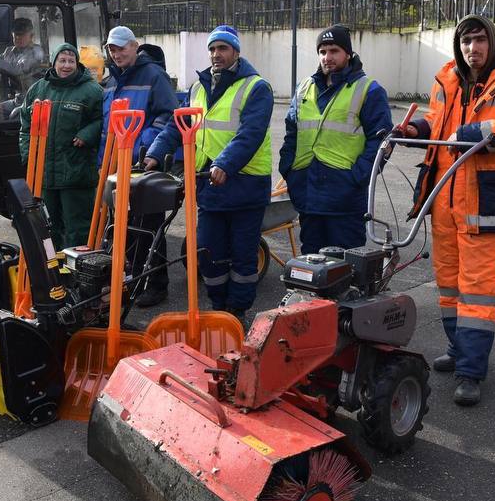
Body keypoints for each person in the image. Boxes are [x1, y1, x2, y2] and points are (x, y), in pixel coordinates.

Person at [403, 14, 495, 407]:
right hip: (444, 201)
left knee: (477, 291)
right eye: (466, 41)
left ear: (491, 42)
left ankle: (471, 371)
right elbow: (437, 122)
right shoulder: (446, 80)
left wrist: (474, 134)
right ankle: (460, 349)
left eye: (479, 40)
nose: (472, 48)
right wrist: (416, 130)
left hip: (483, 204)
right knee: (448, 285)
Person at [145, 25, 272, 327]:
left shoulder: (257, 87)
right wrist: (154, 152)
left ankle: (237, 312)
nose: (216, 54)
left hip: (244, 185)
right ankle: (218, 309)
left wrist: (225, 164)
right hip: (209, 185)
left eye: (223, 49)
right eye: (213, 49)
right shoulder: (198, 87)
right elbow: (178, 124)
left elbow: (250, 133)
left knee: (242, 257)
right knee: (208, 253)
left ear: (236, 52)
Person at [280, 25, 392, 254]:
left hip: (345, 202)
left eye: (333, 51)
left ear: (347, 54)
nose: (327, 57)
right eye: (322, 51)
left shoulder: (368, 90)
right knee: (311, 267)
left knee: (345, 270)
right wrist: (289, 170)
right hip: (309, 197)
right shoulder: (304, 88)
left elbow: (382, 143)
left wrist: (356, 177)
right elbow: (292, 132)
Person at [101, 25, 179, 307]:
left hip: (142, 165)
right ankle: (129, 282)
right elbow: (107, 127)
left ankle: (157, 285)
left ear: (135, 46)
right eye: (111, 48)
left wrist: (148, 150)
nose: (116, 53)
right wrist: (103, 161)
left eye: (121, 47)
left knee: (148, 227)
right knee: (121, 228)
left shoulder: (153, 76)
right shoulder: (111, 81)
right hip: (115, 166)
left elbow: (170, 117)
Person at [18, 43, 103, 249]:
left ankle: (78, 274)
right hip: (45, 176)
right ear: (54, 62)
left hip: (76, 174)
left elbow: (103, 120)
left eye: (71, 61)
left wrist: (88, 134)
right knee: (46, 228)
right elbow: (25, 126)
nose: (66, 66)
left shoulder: (92, 91)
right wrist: (29, 154)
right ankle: (51, 272)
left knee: (78, 228)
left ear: (77, 63)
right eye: (62, 61)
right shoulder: (38, 89)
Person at [0, 17, 44, 119]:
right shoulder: (9, 51)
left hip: (33, 101)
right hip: (17, 99)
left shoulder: (36, 52)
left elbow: (17, 70)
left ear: (31, 36)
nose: (18, 38)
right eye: (16, 35)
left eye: (22, 35)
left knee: (15, 115)